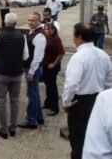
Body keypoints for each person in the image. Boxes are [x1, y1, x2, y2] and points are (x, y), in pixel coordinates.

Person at [62, 23, 112, 159]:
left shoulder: (78, 57)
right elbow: (109, 82)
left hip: (80, 103)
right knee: (95, 139)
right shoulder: (104, 55)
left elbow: (71, 84)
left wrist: (66, 102)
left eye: (73, 34)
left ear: (79, 37)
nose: (72, 38)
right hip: (98, 100)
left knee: (78, 141)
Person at [0, 13, 29, 139]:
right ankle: (13, 128)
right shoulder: (22, 37)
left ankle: (3, 130)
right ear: (16, 24)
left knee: (1, 101)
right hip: (16, 73)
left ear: (4, 22)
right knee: (15, 101)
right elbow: (26, 56)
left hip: (1, 74)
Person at [18, 12, 46, 129]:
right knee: (35, 94)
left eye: (33, 20)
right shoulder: (34, 32)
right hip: (31, 68)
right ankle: (38, 116)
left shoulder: (39, 36)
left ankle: (31, 120)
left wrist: (31, 72)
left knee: (31, 95)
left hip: (32, 68)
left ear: (39, 21)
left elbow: (38, 57)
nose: (30, 22)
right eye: (29, 20)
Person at [42, 23, 65, 116]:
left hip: (52, 67)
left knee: (52, 86)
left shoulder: (56, 39)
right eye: (45, 29)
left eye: (47, 29)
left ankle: (54, 108)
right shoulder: (47, 38)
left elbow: (61, 53)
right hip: (45, 65)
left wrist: (54, 63)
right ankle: (48, 103)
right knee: (47, 85)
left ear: (52, 30)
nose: (45, 31)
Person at [82, 88, 112, 159]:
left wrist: (66, 101)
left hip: (81, 101)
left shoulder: (106, 99)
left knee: (78, 140)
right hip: (95, 95)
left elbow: (95, 154)